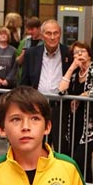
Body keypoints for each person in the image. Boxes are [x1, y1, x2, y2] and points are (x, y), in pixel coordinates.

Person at [58, 41, 93, 185]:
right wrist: (72, 67)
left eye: (82, 51)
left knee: (80, 158)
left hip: (91, 124)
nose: (79, 55)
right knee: (83, 161)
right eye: (76, 52)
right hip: (74, 123)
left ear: (89, 53)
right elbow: (61, 91)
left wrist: (79, 97)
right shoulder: (74, 73)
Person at [20, 19, 72, 152]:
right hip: (38, 108)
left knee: (62, 149)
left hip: (60, 108)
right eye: (49, 33)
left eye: (56, 33)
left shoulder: (69, 53)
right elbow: (24, 82)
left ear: (60, 34)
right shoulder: (32, 54)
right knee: (37, 148)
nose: (53, 37)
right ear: (42, 35)